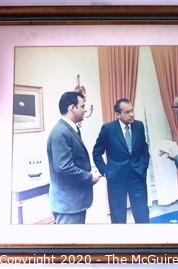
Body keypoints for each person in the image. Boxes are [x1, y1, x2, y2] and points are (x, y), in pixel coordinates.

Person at [93, 98, 150, 223]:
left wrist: (143, 166)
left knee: (142, 214)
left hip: (137, 176)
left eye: (132, 111)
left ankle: (146, 241)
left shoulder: (139, 126)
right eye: (127, 112)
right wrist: (106, 172)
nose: (131, 114)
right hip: (116, 178)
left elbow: (144, 149)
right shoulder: (108, 129)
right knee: (118, 216)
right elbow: (97, 153)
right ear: (118, 114)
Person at [47, 91, 100, 224]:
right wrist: (89, 177)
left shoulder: (70, 129)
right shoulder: (60, 132)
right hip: (68, 205)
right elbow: (64, 167)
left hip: (73, 202)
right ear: (72, 108)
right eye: (82, 106)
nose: (85, 110)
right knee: (69, 243)